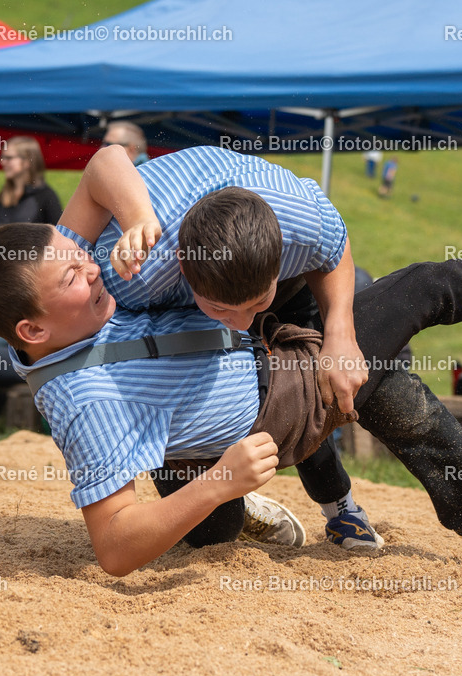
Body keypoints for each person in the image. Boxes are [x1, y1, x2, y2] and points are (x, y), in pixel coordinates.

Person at [0, 172, 462, 577]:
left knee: (213, 522)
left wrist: (132, 218)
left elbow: (103, 169)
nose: (92, 269)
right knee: (418, 291)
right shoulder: (83, 399)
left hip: (241, 353)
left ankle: (257, 507)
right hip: (273, 397)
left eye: (79, 258)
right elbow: (114, 547)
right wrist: (222, 478)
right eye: (72, 275)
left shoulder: (77, 308)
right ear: (32, 331)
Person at [65, 145, 377, 549]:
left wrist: (340, 334)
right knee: (211, 534)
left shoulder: (294, 220)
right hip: (177, 296)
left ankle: (341, 505)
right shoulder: (125, 271)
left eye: (253, 306)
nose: (244, 322)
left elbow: (334, 245)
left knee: (302, 388)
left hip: (259, 272)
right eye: (224, 309)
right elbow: (106, 162)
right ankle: (238, 497)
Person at [0, 136, 62, 227]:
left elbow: (59, 234)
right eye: (2, 157)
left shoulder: (46, 196)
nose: (2, 162)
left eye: (9, 158)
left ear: (27, 161)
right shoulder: (5, 193)